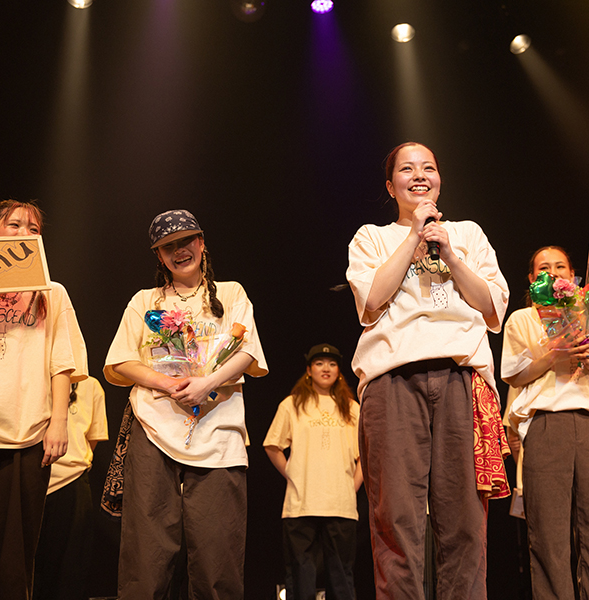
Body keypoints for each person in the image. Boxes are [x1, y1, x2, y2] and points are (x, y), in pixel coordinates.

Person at [346, 142, 509, 599]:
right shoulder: (371, 237)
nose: (419, 176)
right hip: (392, 380)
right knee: (396, 518)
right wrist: (413, 237)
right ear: (390, 186)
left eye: (428, 168)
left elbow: (492, 307)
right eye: (407, 169)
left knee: (465, 521)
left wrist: (450, 254)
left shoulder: (467, 234)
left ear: (439, 180)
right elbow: (371, 301)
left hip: (462, 378)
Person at [104, 209, 268, 599]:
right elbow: (120, 361)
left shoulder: (231, 293)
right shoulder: (145, 301)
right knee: (146, 554)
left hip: (218, 430)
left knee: (217, 552)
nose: (180, 251)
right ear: (159, 257)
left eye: (186, 241)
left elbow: (248, 352)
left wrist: (207, 383)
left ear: (202, 243)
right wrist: (167, 383)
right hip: (153, 429)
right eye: (169, 247)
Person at [0, 199, 88, 599]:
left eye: (33, 228)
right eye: (14, 225)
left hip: (24, 434)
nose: (24, 233)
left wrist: (58, 422)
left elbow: (63, 361)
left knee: (13, 560)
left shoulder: (51, 292)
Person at [502, 245, 589, 600]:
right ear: (532, 279)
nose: (553, 273)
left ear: (573, 276)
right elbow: (514, 375)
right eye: (544, 268)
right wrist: (553, 355)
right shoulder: (522, 319)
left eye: (560, 267)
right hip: (545, 425)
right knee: (549, 537)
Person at [264, 343, 362, 600]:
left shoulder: (352, 408)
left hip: (341, 505)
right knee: (300, 574)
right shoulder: (292, 404)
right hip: (301, 503)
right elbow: (272, 445)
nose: (325, 368)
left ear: (339, 371)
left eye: (332, 364)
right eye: (319, 363)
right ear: (309, 370)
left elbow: (365, 455)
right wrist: (293, 474)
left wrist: (352, 486)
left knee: (341, 575)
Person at [33, 376, 108, 600]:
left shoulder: (91, 385)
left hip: (71, 481)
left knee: (69, 570)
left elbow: (92, 439)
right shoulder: (32, 376)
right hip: (30, 479)